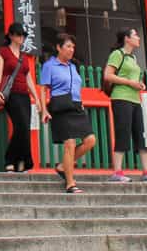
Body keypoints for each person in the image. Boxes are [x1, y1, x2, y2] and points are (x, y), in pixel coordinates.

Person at [39, 33, 96, 194]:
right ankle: (70, 183)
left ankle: (64, 166)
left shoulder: (73, 66)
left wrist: (82, 103)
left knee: (90, 140)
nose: (71, 50)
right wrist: (44, 109)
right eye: (68, 46)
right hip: (60, 106)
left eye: (73, 47)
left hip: (76, 106)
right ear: (58, 47)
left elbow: (77, 86)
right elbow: (43, 89)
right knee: (69, 143)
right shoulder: (49, 65)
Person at [103, 27, 147, 183]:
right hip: (121, 98)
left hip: (135, 99)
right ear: (126, 38)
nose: (138, 38)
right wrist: (130, 82)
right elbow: (108, 75)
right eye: (135, 35)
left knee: (141, 133)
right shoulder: (117, 54)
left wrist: (139, 84)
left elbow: (132, 78)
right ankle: (117, 172)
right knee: (123, 132)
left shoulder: (133, 58)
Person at [0, 22, 45, 173]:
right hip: (11, 95)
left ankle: (19, 163)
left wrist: (36, 98)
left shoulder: (24, 56)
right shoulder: (3, 52)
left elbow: (29, 79)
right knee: (21, 125)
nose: (21, 37)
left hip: (24, 96)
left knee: (24, 129)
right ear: (10, 36)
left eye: (23, 35)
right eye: (18, 34)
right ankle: (15, 160)